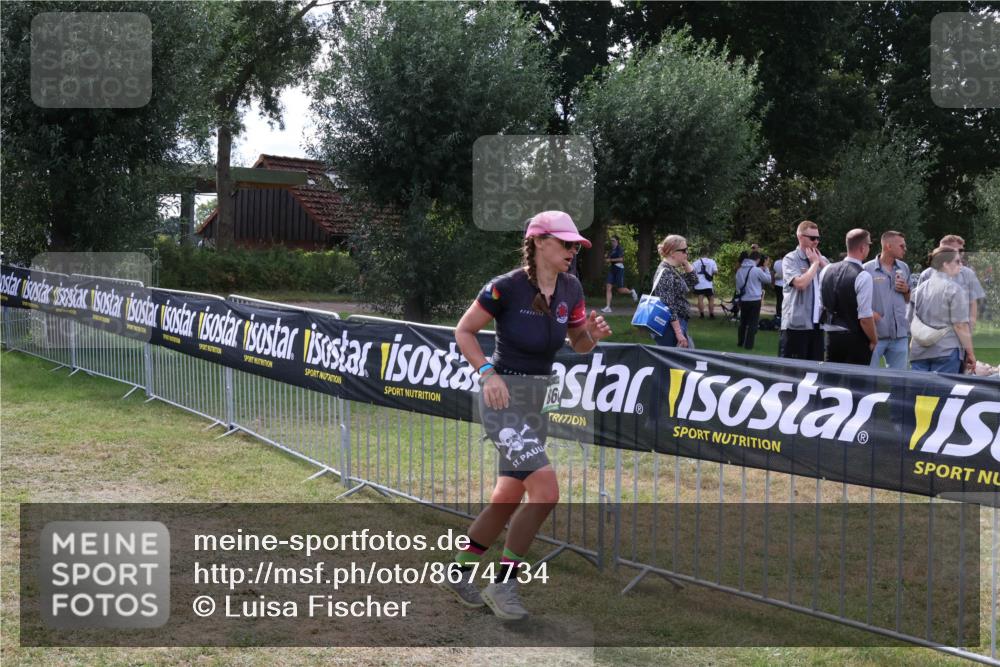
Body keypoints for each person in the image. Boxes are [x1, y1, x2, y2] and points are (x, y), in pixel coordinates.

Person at [446, 210, 612, 621]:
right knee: (546, 491)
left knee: (507, 496)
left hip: (538, 398)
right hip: (502, 399)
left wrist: (592, 334)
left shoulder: (571, 288)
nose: (573, 251)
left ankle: (459, 569)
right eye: (565, 243)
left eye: (576, 245)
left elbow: (578, 344)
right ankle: (503, 584)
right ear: (539, 241)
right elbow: (463, 331)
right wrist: (488, 374)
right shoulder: (506, 287)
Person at [909, 246, 976, 374]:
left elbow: (910, 320)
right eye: (957, 261)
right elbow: (960, 325)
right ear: (945, 264)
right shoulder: (955, 289)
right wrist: (970, 353)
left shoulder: (919, 289)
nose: (961, 265)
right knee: (941, 393)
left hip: (919, 351)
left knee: (920, 393)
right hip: (946, 351)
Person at [819, 229, 877, 365]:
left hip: (831, 337)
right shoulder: (863, 276)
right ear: (863, 247)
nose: (869, 248)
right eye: (869, 244)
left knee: (830, 384)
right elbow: (865, 317)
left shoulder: (826, 270)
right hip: (855, 338)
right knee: (856, 385)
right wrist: (874, 339)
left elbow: (822, 305)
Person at [780, 220, 830, 361]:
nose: (816, 242)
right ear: (800, 237)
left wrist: (821, 262)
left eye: (818, 238)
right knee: (792, 373)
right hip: (796, 326)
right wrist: (814, 264)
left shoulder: (822, 259)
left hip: (817, 325)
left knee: (814, 373)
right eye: (812, 238)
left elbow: (834, 282)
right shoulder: (791, 259)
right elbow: (801, 284)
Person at [863, 230, 911, 369]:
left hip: (900, 336)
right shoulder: (867, 269)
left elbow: (909, 299)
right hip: (875, 336)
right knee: (868, 379)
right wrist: (872, 315)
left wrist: (906, 290)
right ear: (888, 246)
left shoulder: (904, 268)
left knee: (899, 381)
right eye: (901, 246)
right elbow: (858, 302)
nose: (905, 249)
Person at [917, 235, 985, 329]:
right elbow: (919, 305)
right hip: (931, 331)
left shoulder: (968, 274)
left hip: (959, 330)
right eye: (959, 251)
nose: (962, 254)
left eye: (962, 250)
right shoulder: (926, 275)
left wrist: (970, 328)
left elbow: (973, 303)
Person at [650, 235, 699, 348]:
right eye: (684, 250)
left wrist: (685, 262)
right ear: (672, 252)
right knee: (673, 362)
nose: (686, 253)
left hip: (676, 323)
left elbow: (693, 280)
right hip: (669, 326)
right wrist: (678, 333)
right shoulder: (665, 272)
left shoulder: (672, 270)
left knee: (678, 362)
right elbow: (668, 305)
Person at [734, 251, 772, 350]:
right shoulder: (756, 270)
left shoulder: (740, 270)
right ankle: (749, 345)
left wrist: (738, 299)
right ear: (758, 260)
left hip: (743, 299)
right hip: (755, 299)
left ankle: (740, 342)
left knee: (743, 322)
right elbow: (768, 280)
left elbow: (738, 286)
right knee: (753, 323)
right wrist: (766, 268)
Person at [602, 235, 638, 313]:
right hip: (612, 269)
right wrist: (607, 259)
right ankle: (608, 307)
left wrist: (610, 260)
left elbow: (621, 259)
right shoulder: (611, 250)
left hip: (619, 269)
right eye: (611, 241)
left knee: (620, 290)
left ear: (617, 241)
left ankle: (631, 291)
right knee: (608, 287)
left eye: (614, 241)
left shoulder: (619, 249)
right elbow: (608, 259)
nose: (612, 242)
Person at [692, 249, 719, 318]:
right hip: (708, 284)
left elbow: (692, 272)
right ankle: (711, 314)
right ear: (707, 253)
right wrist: (710, 274)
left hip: (699, 284)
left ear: (700, 254)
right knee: (711, 299)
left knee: (700, 299)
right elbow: (716, 272)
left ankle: (702, 314)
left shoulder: (696, 262)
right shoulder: (712, 261)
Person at [772, 255, 784, 323]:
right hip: (784, 283)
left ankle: (778, 314)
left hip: (777, 283)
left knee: (778, 299)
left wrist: (773, 282)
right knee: (784, 299)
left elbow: (774, 272)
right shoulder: (786, 262)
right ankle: (782, 313)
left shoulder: (776, 262)